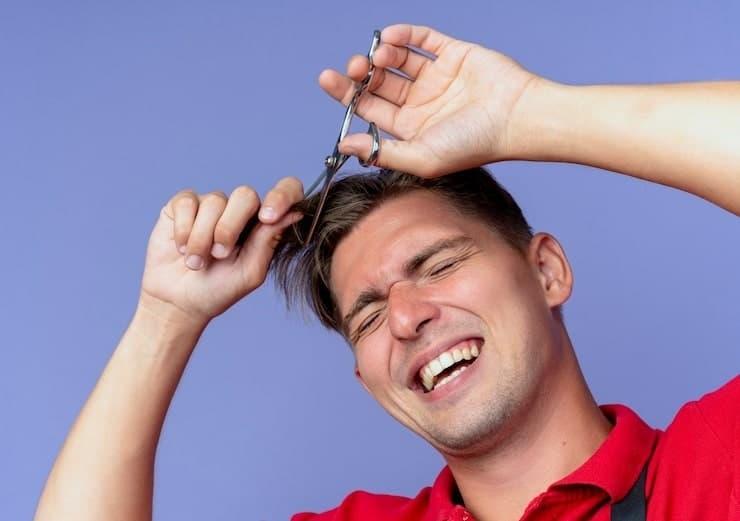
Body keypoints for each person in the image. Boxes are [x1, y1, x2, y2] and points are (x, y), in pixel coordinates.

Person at [34, 23, 738, 521]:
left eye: (439, 265)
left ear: (547, 271)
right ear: (365, 378)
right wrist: (167, 316)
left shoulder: (717, 459)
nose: (405, 318)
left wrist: (530, 114)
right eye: (367, 315)